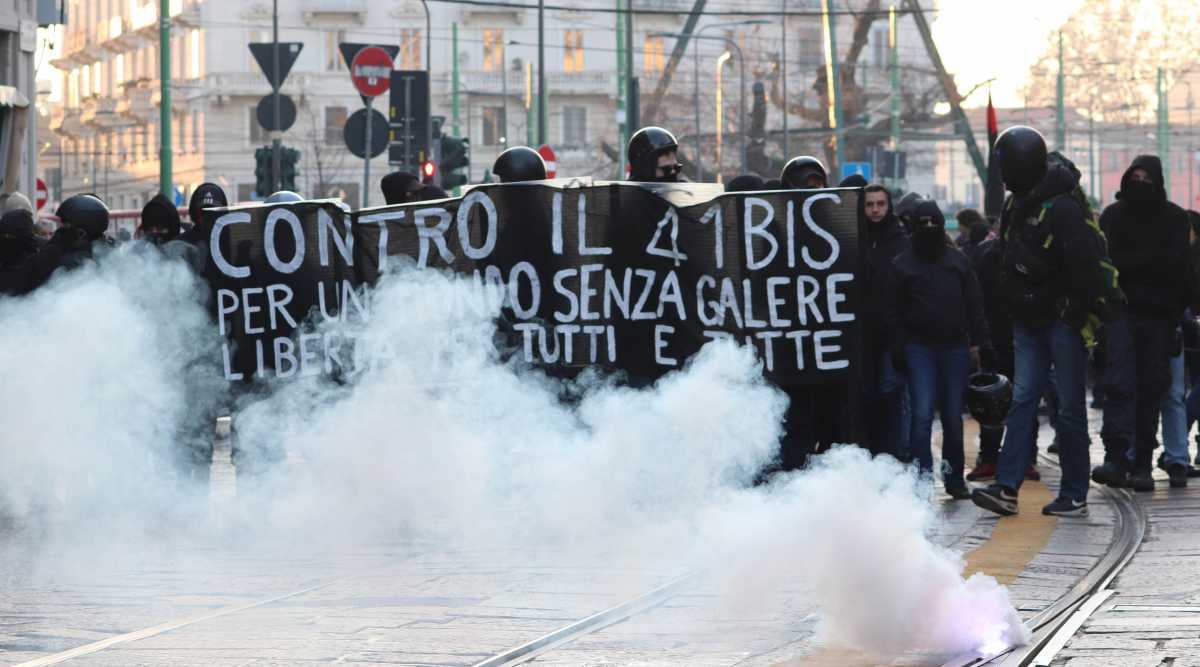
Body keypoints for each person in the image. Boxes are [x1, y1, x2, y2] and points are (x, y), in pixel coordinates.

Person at [972, 126, 1100, 517]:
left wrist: (1070, 313)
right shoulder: (1016, 204)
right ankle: (1007, 487)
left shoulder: (1062, 208)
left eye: (1008, 166)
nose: (1005, 175)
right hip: (1027, 320)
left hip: (1061, 320)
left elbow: (1084, 267)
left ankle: (1075, 490)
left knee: (1069, 407)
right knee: (1023, 398)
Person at [1090, 156, 1197, 491]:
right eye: (1134, 176)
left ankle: (1141, 464)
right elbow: (1107, 263)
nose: (1139, 182)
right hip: (1121, 313)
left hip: (1158, 317)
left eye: (1145, 177)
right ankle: (1117, 457)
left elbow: (1177, 269)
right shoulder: (1114, 216)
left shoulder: (1174, 218)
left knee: (1153, 387)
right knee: (1119, 385)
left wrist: (1169, 305)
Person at [886, 200, 989, 498]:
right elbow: (893, 311)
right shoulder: (903, 265)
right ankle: (923, 478)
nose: (929, 230)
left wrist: (982, 344)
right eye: (924, 224)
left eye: (934, 224)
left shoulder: (958, 262)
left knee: (952, 418)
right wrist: (899, 349)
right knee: (921, 415)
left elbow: (974, 305)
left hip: (953, 347)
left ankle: (953, 477)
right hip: (920, 348)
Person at [861, 184, 910, 457]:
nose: (876, 209)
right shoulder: (856, 238)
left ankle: (894, 453)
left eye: (880, 203)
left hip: (891, 334)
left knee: (892, 396)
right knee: (869, 396)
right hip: (863, 334)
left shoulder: (900, 240)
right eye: (870, 205)